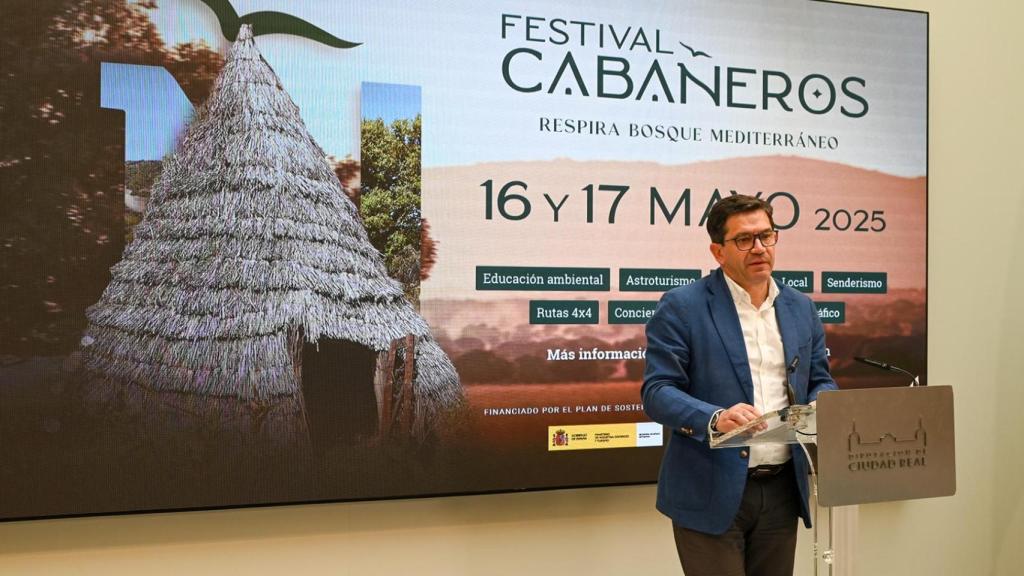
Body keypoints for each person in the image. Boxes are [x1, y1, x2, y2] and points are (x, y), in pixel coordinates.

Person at [642, 194, 837, 576]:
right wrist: (715, 417)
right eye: (745, 240)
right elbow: (657, 391)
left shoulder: (800, 307)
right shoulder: (683, 305)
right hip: (709, 486)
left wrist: (820, 405)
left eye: (767, 236)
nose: (759, 248)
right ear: (718, 251)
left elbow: (821, 379)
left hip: (783, 487)